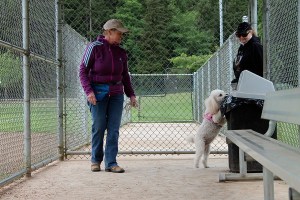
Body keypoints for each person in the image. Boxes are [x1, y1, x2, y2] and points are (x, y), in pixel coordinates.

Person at [79, 19, 138, 173]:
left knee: (113, 129)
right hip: (98, 93)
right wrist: (89, 91)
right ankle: (95, 160)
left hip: (117, 93)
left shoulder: (121, 53)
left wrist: (131, 94)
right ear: (109, 32)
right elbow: (83, 71)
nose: (121, 37)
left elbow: (125, 76)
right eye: (119, 33)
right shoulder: (94, 48)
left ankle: (111, 162)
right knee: (98, 126)